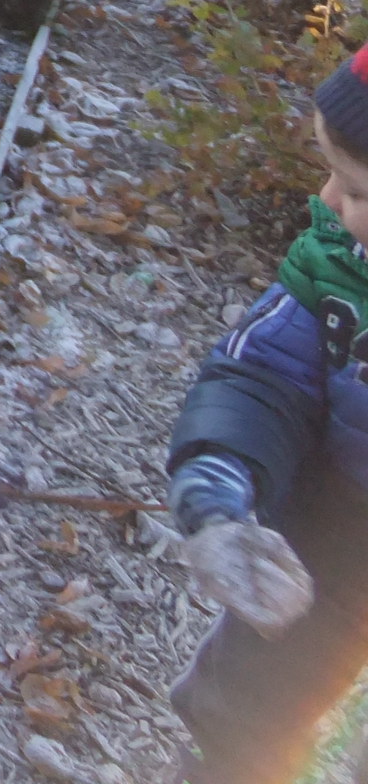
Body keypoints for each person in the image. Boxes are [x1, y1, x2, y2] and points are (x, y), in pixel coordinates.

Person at [159, 44, 368, 784]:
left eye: (357, 188)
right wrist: (217, 481)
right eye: (332, 173)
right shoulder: (341, 264)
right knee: (251, 703)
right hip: (337, 533)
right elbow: (263, 372)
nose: (329, 199)